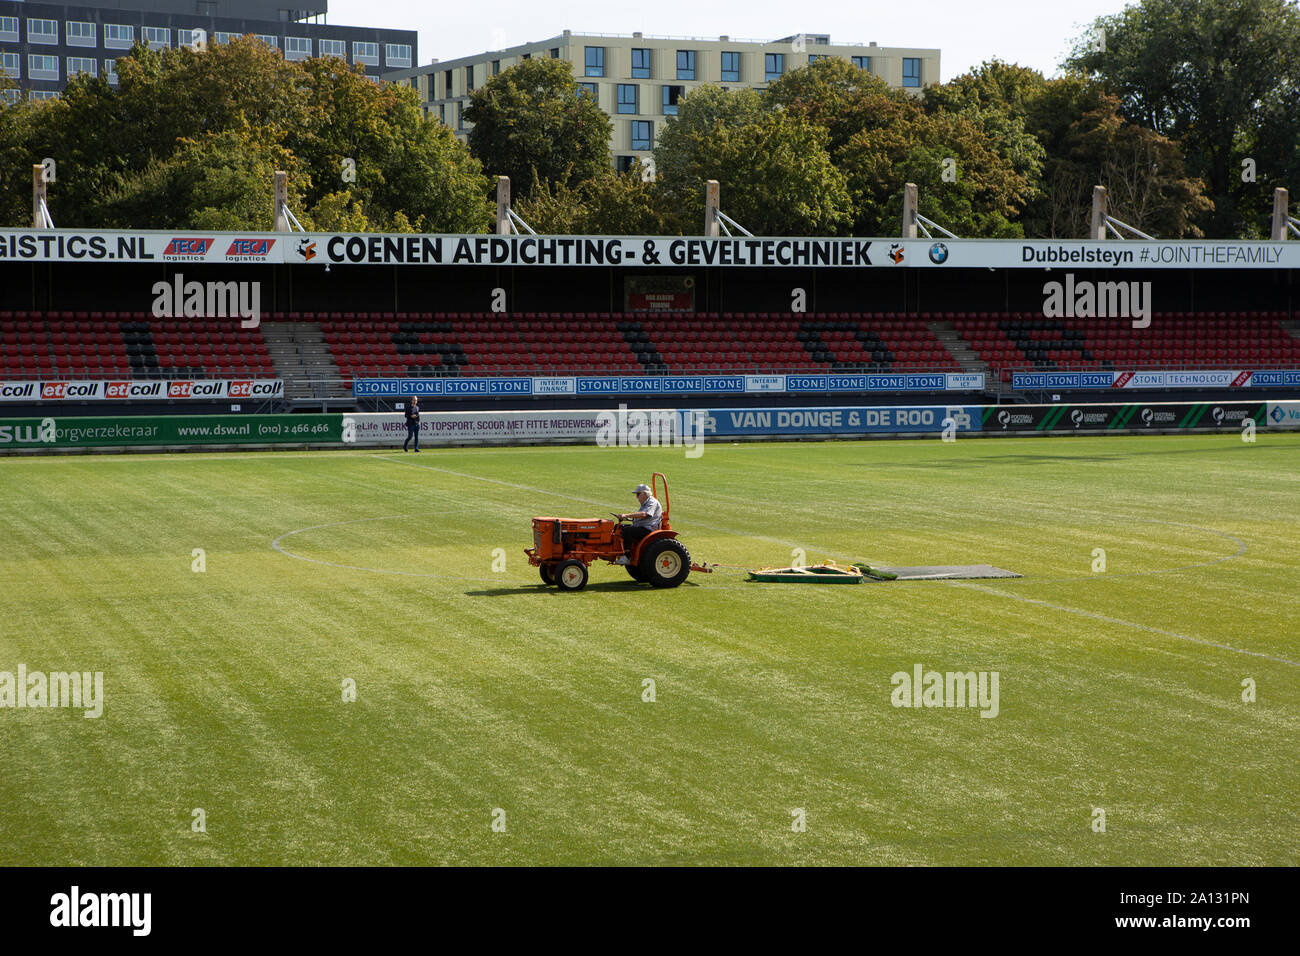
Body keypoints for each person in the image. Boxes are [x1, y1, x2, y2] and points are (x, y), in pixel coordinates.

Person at [616, 483, 662, 562]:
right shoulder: (645, 503)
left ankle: (627, 557)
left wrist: (625, 515)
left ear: (645, 493)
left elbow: (643, 514)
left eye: (638, 494)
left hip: (648, 529)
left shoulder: (652, 502)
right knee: (618, 527)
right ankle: (617, 551)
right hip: (642, 526)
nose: (636, 497)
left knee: (628, 531)